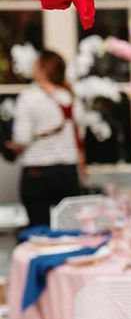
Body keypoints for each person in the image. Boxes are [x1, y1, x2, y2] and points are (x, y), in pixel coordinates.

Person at [6, 50, 85, 228]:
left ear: (42, 70)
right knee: (69, 229)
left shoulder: (29, 98)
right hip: (67, 172)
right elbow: (80, 135)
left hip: (37, 173)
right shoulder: (71, 98)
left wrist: (12, 146)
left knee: (39, 230)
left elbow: (22, 137)